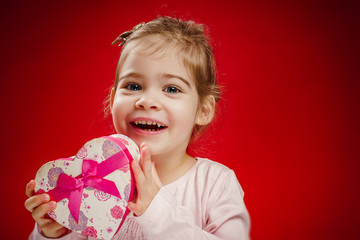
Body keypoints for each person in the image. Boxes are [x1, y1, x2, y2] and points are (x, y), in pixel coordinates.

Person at [25, 16, 250, 239]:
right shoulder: (87, 176)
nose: (146, 100)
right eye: (133, 86)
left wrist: (156, 211)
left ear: (203, 110)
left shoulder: (215, 183)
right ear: (113, 101)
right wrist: (51, 233)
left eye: (172, 89)